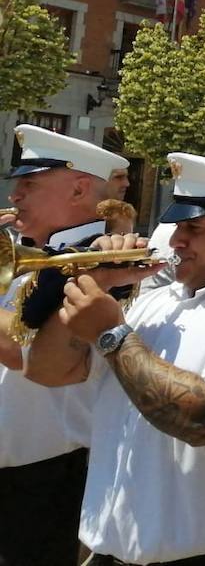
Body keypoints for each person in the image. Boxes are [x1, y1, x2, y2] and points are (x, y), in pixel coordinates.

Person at [25, 152, 205, 565]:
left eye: (194, 228)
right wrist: (99, 284)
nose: (177, 240)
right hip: (111, 554)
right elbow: (46, 369)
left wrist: (112, 334)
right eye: (178, 226)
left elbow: (204, 419)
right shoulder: (151, 302)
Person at [0, 125, 127, 566]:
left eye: (29, 184)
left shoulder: (105, 260)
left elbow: (23, 352)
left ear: (78, 189)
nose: (15, 196)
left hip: (44, 480)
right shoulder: (25, 252)